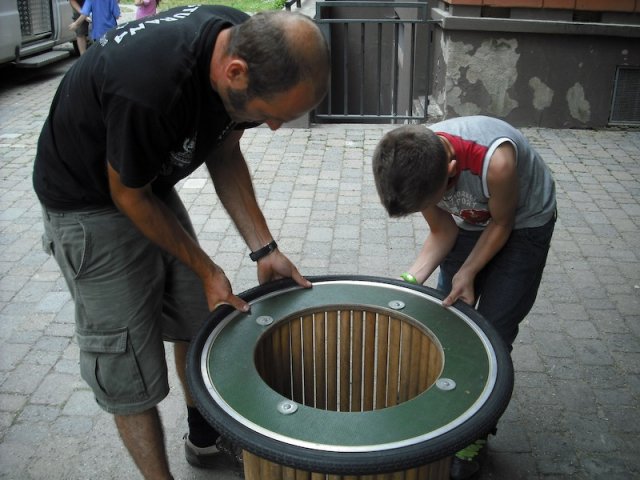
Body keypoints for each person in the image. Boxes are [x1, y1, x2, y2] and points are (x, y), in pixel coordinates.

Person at [33, 5, 330, 480]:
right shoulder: (149, 86)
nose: (274, 127)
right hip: (89, 204)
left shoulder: (243, 38)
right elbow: (127, 197)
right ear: (235, 72)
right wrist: (208, 268)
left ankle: (205, 442)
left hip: (144, 183)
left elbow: (224, 151)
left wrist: (265, 249)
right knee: (130, 368)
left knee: (201, 321)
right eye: (271, 116)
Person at [372, 116, 556, 480]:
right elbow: (443, 230)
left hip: (523, 223)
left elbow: (502, 224)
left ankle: (474, 436)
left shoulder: (496, 162)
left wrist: (468, 271)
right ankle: (446, 413)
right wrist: (409, 281)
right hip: (472, 221)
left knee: (494, 332)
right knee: (448, 321)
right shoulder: (419, 165)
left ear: (452, 170)